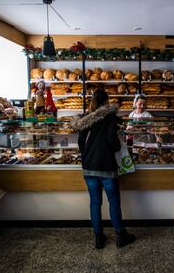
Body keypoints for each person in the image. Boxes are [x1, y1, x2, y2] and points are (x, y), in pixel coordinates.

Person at [72, 89, 136, 249]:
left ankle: (98, 238)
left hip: (89, 168)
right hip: (107, 167)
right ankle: (121, 236)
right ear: (106, 102)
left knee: (95, 203)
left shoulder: (85, 119)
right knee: (113, 203)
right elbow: (113, 144)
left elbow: (81, 144)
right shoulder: (109, 119)